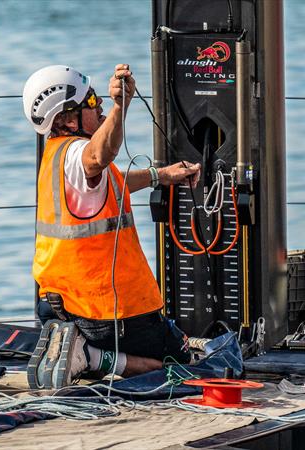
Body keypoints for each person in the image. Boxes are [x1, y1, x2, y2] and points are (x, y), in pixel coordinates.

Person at [21, 64, 201, 388]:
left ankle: (83, 350)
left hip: (61, 304)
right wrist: (121, 106)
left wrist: (160, 175)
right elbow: (98, 157)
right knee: (181, 362)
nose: (99, 103)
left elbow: (104, 184)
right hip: (106, 313)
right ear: (67, 118)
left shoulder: (56, 155)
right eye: (91, 100)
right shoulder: (78, 154)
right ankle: (92, 357)